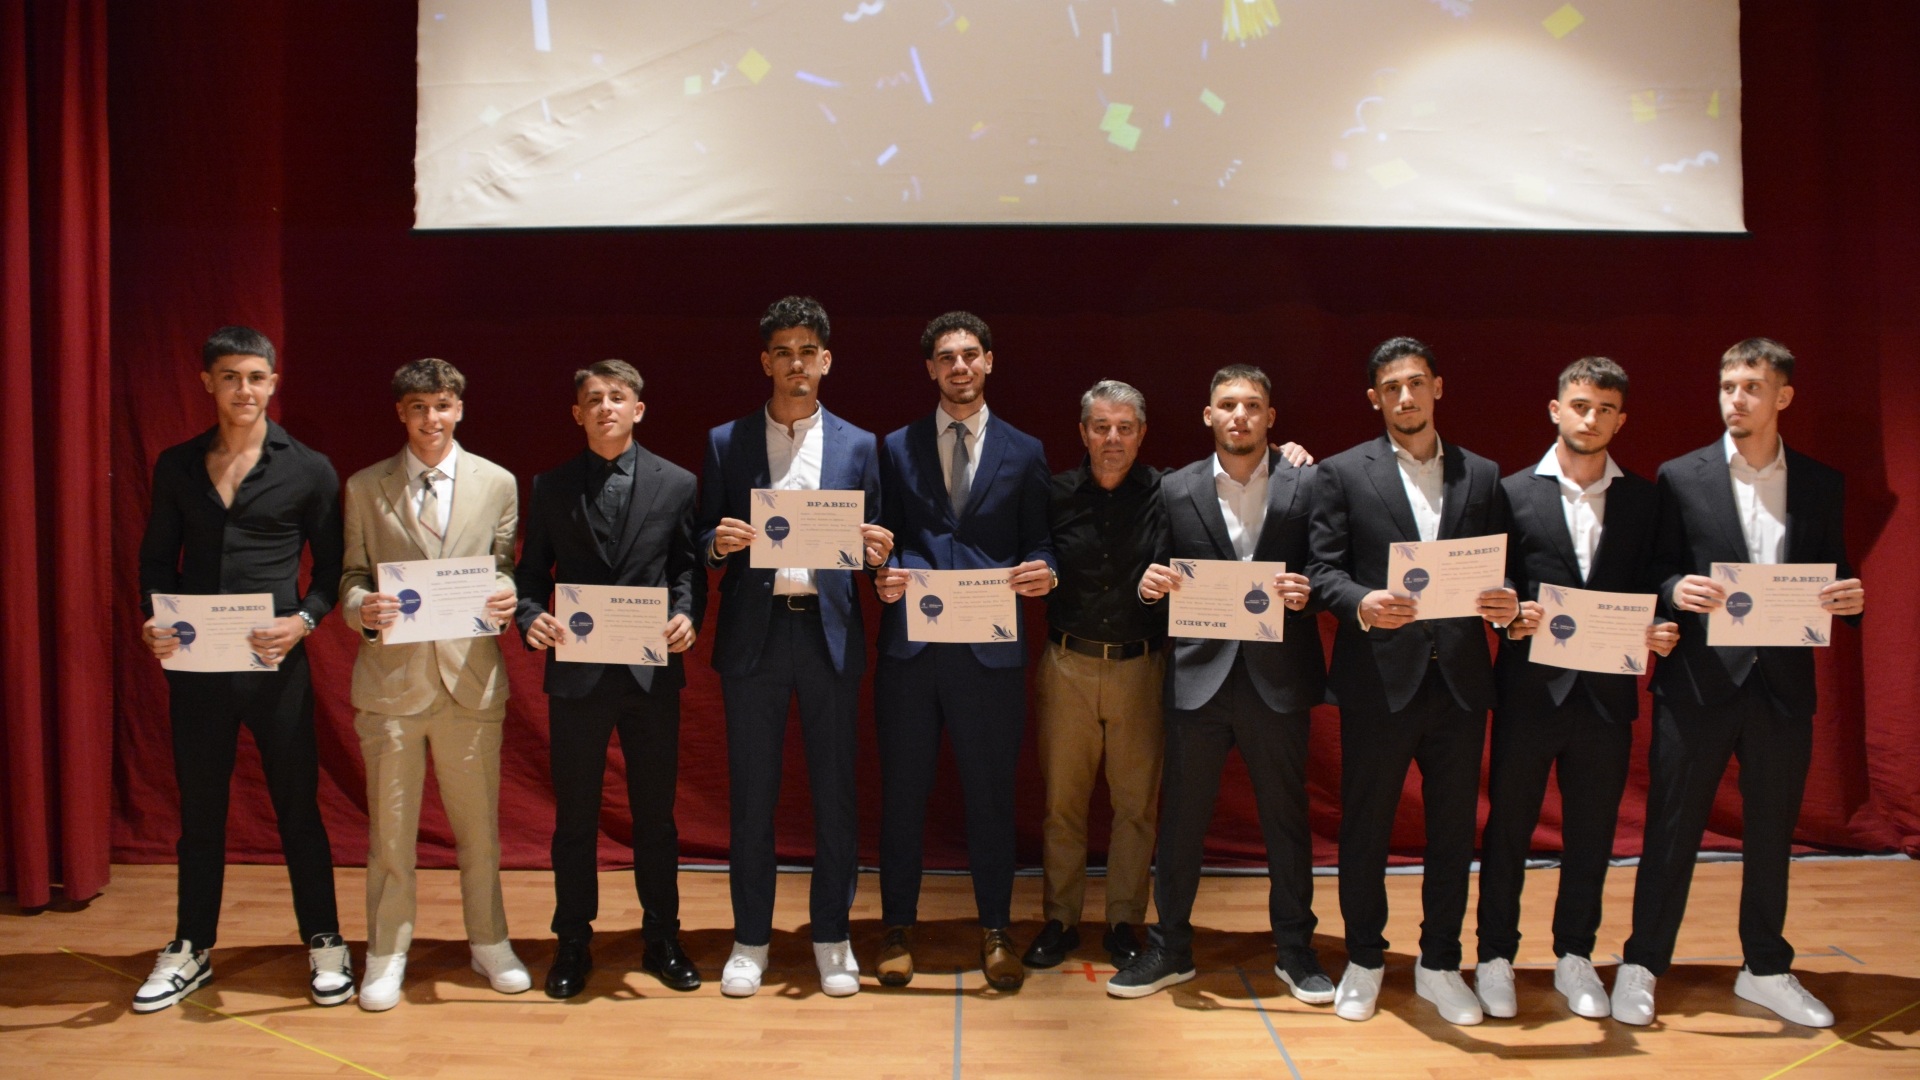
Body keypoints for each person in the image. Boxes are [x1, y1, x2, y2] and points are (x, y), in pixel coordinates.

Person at [1611, 338, 1864, 1029]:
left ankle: (1766, 968)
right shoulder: (1680, 476)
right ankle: (1641, 963)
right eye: (1728, 386)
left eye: (1751, 386)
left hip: (1781, 684)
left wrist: (1850, 598)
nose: (1736, 399)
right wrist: (1674, 589)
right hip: (1697, 682)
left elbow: (1835, 573)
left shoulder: (1820, 482)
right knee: (1671, 827)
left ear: (1783, 396)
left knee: (1773, 831)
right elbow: (1654, 569)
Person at [134, 326, 353, 1012]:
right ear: (208, 382)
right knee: (201, 812)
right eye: (230, 377)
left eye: (256, 377)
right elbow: (156, 560)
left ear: (273, 383)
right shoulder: (177, 464)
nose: (244, 390)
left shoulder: (310, 468)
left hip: (275, 665)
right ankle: (191, 946)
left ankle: (325, 939)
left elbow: (333, 570)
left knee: (297, 806)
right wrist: (152, 618)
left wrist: (304, 621)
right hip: (198, 667)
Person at [1306, 336, 1518, 1027]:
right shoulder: (1341, 473)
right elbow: (1321, 571)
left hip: (1459, 681)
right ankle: (1365, 959)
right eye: (1392, 387)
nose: (1405, 396)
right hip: (1377, 679)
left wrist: (1505, 600)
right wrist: (1361, 602)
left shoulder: (1482, 475)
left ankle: (1439, 963)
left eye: (1416, 383)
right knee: (1366, 827)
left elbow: (1502, 571)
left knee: (1454, 832)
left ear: (1437, 388)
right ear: (1375, 398)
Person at [1110, 365, 1331, 1002]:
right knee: (1181, 822)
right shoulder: (1175, 487)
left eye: (1252, 405)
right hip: (1197, 679)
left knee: (1286, 821)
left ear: (1270, 417)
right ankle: (1170, 948)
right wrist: (1150, 587)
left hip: (1277, 678)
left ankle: (1296, 950)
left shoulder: (1307, 481)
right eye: (1228, 405)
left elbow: (1329, 567)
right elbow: (1151, 573)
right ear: (1208, 415)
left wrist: (1310, 591)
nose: (1240, 415)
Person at [1470, 357, 1679, 1021]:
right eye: (1580, 405)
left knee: (1592, 835)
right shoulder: (1508, 492)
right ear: (1556, 409)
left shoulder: (1645, 499)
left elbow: (1658, 580)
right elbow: (1491, 582)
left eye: (1605, 409)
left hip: (1607, 696)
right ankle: (1495, 955)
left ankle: (1574, 955)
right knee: (1508, 830)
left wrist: (1659, 625)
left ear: (1621, 419)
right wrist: (1507, 613)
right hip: (1529, 692)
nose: (1591, 419)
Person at [698, 297, 893, 998]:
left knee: (835, 794)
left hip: (826, 633)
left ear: (826, 361)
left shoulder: (859, 445)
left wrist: (878, 550)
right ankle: (750, 939)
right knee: (751, 796)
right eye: (783, 351)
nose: (796, 363)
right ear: (766, 362)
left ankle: (831, 937)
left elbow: (876, 543)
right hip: (754, 634)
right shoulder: (727, 441)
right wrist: (717, 543)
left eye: (808, 351)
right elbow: (702, 537)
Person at [870, 311, 1056, 991]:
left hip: (990, 654)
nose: (959, 367)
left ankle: (997, 930)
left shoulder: (1026, 451)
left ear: (989, 362)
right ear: (930, 369)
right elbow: (882, 537)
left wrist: (1046, 569)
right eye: (946, 357)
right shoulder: (895, 447)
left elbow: (1041, 540)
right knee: (902, 796)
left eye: (970, 355)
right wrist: (881, 571)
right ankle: (897, 928)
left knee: (991, 798)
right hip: (912, 654)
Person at [338, 358, 529, 1011]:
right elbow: (352, 576)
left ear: (459, 409)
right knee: (390, 835)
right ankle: (387, 952)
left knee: (480, 832)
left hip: (469, 681)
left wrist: (504, 595)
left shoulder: (497, 483)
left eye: (442, 405)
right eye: (418, 407)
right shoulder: (365, 486)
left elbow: (503, 567)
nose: (430, 419)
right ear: (401, 412)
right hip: (390, 685)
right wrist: (361, 608)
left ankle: (490, 941)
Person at [514, 359, 706, 1000]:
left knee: (656, 818)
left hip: (650, 674)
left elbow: (686, 568)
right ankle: (572, 941)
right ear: (577, 413)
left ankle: (663, 938)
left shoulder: (677, 483)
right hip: (578, 673)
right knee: (575, 818)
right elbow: (531, 575)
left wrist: (687, 615)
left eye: (617, 397)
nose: (605, 407)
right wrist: (531, 616)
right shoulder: (551, 486)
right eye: (593, 399)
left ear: (638, 409)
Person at [1022, 380, 1168, 975]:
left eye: (1125, 428)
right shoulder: (1053, 493)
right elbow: (1034, 547)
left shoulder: (1168, 493)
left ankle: (1123, 922)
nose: (1113, 438)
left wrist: (1289, 452)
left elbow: (1236, 471)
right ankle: (1060, 919)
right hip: (1068, 665)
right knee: (1062, 804)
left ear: (1141, 434)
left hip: (1142, 667)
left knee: (1136, 806)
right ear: (1083, 432)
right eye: (1101, 427)